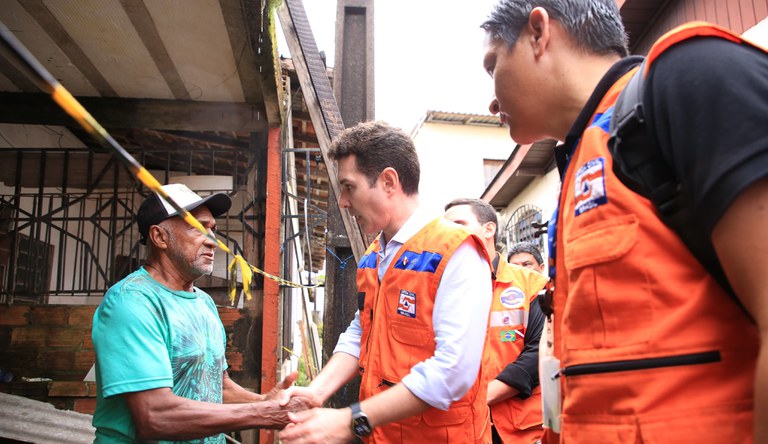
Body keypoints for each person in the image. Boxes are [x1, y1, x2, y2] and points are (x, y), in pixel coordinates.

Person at [481, 1, 767, 442]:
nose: (492, 98)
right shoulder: (582, 161)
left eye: (492, 65)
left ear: (538, 32)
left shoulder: (689, 79)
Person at [278, 121, 494, 443]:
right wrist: (316, 391)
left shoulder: (457, 251)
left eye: (349, 186)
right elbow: (362, 330)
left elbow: (453, 372)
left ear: (388, 182)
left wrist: (350, 421)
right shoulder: (375, 254)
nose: (343, 202)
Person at [91, 183, 309, 443]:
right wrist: (262, 413)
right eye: (197, 228)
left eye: (212, 229)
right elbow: (155, 415)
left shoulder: (203, 302)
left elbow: (217, 385)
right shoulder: (132, 303)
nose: (212, 241)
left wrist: (265, 400)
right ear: (160, 237)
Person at [444, 199, 547, 443]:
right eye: (445, 228)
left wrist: (482, 396)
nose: (449, 233)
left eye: (459, 223)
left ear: (489, 229)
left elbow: (539, 352)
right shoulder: (441, 288)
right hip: (463, 429)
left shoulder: (531, 284)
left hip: (522, 430)